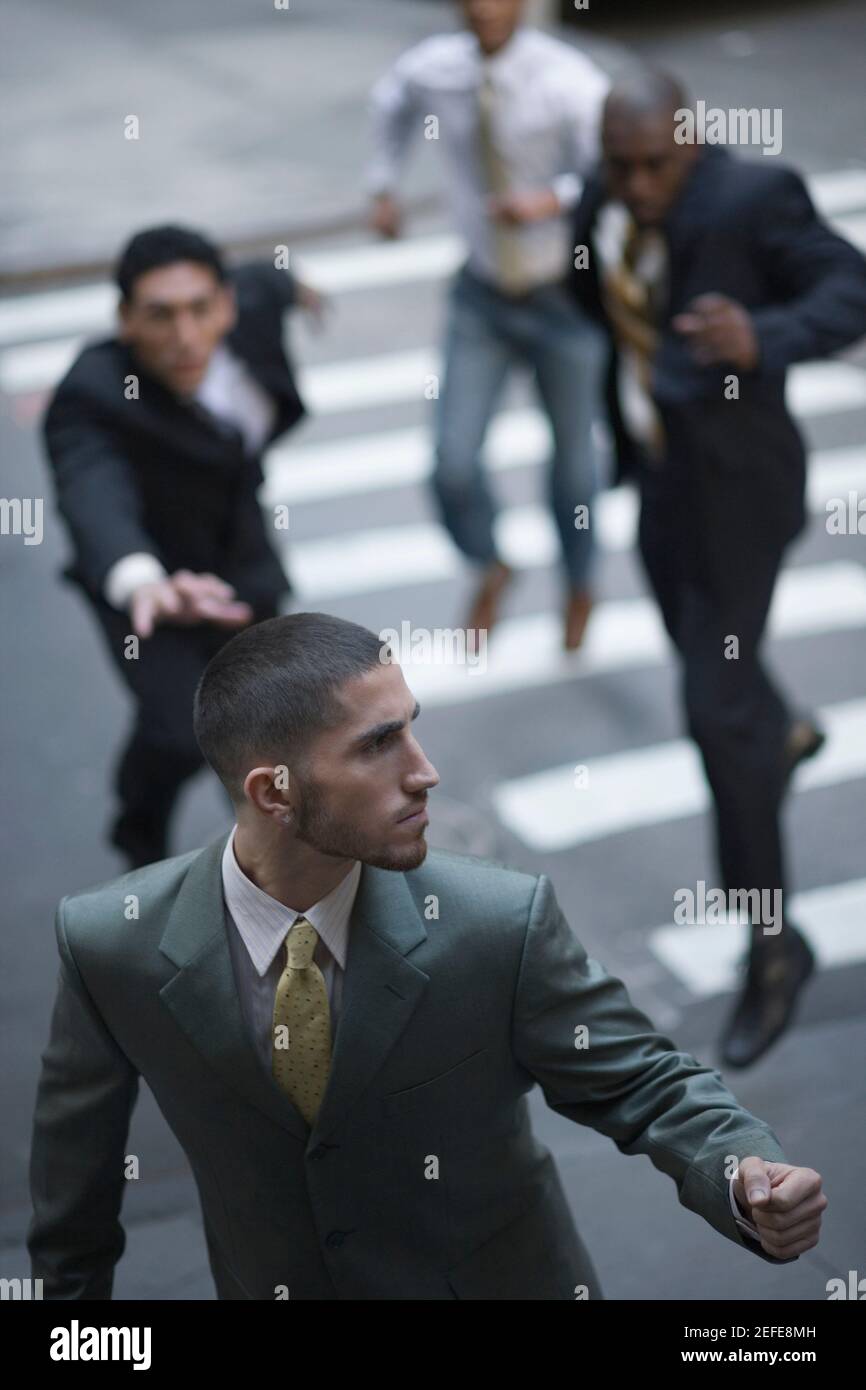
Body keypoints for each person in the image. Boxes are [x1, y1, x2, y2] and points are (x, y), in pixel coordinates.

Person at [28, 611, 827, 1301]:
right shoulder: (112, 944)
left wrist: (741, 1173)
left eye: (411, 724)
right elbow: (73, 1207)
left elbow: (645, 1081)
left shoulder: (496, 923)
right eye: (379, 745)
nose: (425, 771)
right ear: (274, 793)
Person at [566, 71, 866, 1068]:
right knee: (727, 694)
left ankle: (771, 947)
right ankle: (775, 726)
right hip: (662, 491)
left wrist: (761, 337)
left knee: (711, 713)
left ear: (688, 143)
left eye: (655, 164)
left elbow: (848, 286)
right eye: (620, 165)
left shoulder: (750, 197)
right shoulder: (597, 200)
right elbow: (587, 290)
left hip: (742, 491)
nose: (637, 185)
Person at [43, 225, 323, 869]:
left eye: (201, 309)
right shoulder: (91, 393)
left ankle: (288, 854)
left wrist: (302, 287)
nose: (187, 336)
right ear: (124, 320)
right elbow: (92, 490)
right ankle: (137, 835)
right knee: (177, 732)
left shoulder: (250, 304)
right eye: (159, 316)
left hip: (242, 553)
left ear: (226, 304)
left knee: (286, 709)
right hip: (153, 586)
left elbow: (268, 277)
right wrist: (139, 576)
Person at [367, 0, 610, 649]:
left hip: (563, 296)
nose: (485, 9)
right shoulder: (434, 69)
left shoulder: (569, 80)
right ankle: (491, 563)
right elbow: (390, 105)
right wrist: (383, 184)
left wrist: (551, 200)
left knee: (576, 470)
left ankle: (580, 582)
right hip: (482, 294)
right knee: (451, 463)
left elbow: (610, 169)